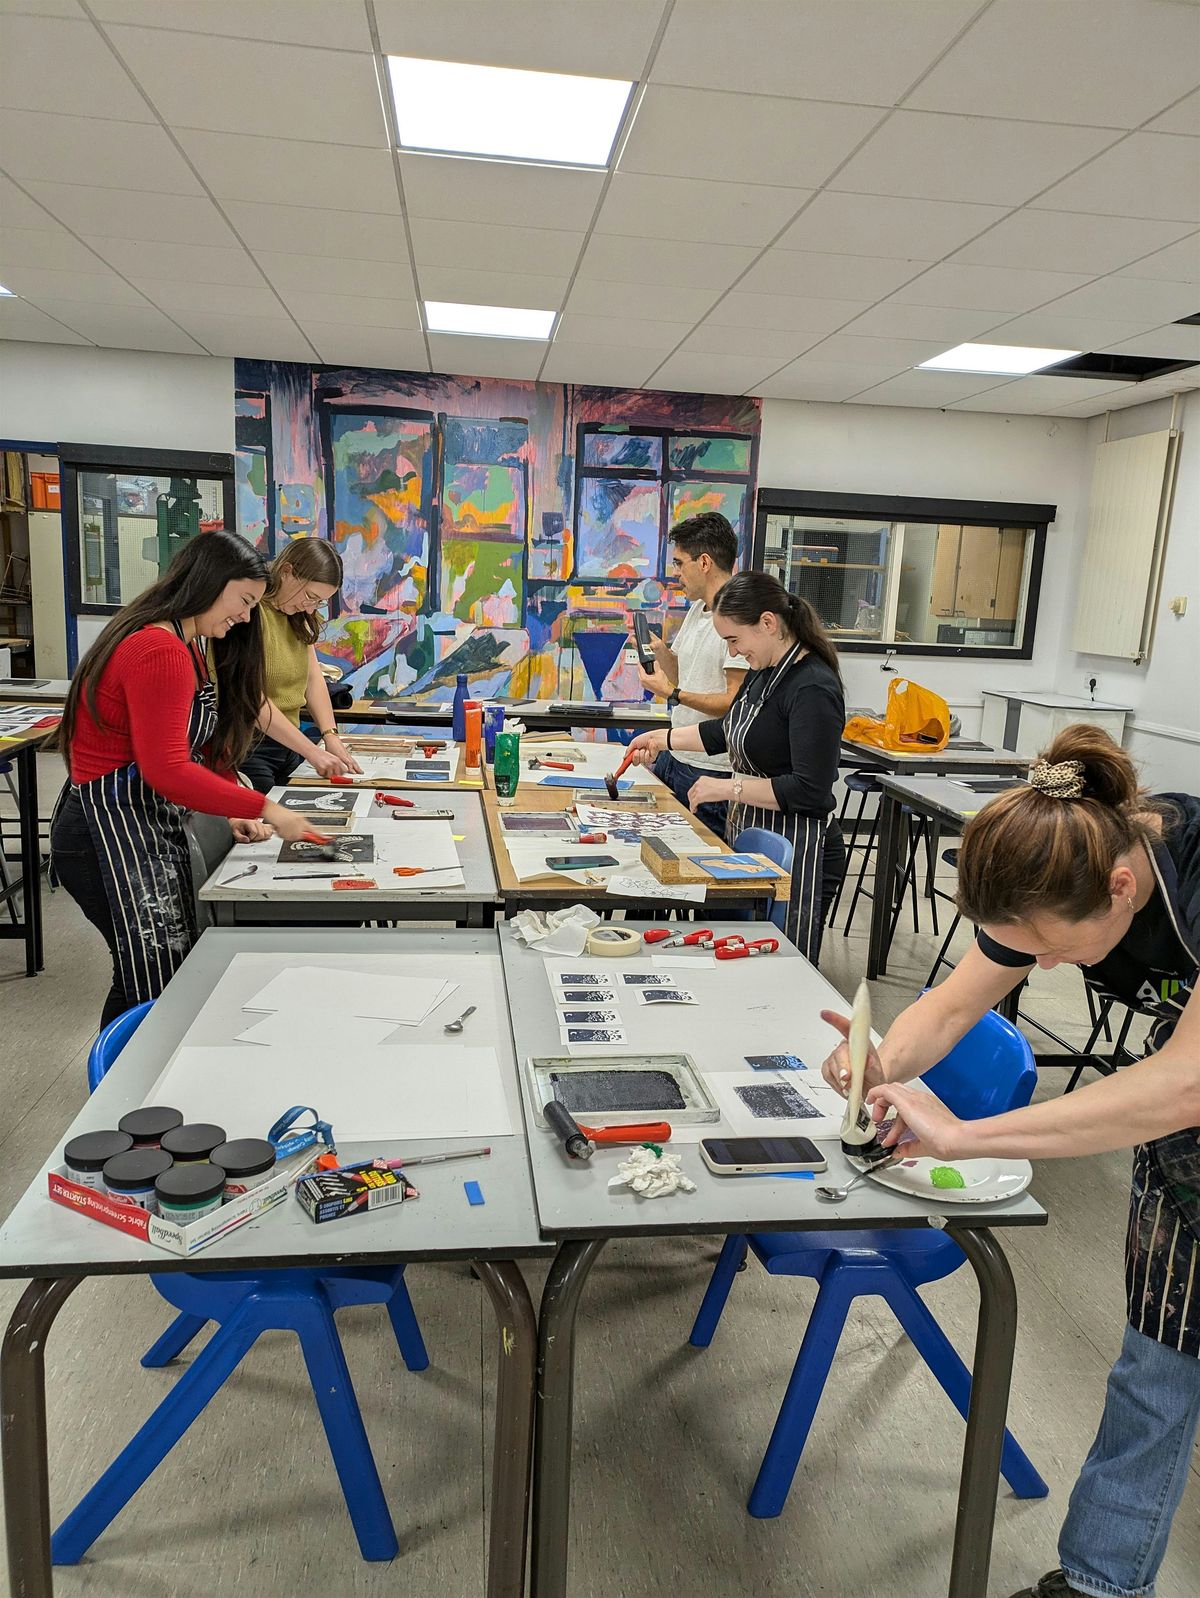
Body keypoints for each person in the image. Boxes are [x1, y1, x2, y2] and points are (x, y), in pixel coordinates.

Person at [819, 727, 1200, 1598]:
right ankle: (1103, 1583)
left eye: (1053, 948)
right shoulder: (1059, 873)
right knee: (1158, 1364)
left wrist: (965, 1136)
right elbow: (953, 1005)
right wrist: (882, 1061)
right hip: (1185, 1143)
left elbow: (1185, 1085)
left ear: (1123, 887)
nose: (1044, 965)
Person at [51, 531, 324, 1029]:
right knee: (148, 975)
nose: (247, 617)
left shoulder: (188, 644)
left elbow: (198, 745)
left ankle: (138, 1069)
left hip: (140, 822)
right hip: (102, 832)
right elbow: (167, 769)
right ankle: (123, 1074)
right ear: (208, 583)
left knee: (159, 971)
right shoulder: (160, 650)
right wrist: (263, 807)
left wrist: (229, 804)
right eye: (244, 601)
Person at [626, 571, 846, 961]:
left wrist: (729, 787)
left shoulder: (812, 687)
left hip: (799, 848)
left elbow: (809, 789)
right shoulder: (763, 673)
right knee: (738, 949)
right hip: (752, 835)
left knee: (777, 963)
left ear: (768, 623)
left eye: (734, 640)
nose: (732, 652)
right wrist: (663, 739)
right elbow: (727, 731)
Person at [634, 512, 746, 837]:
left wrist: (672, 694)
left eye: (680, 563)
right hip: (677, 757)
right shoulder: (698, 609)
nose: (676, 573)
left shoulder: (737, 615)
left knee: (698, 856)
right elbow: (684, 673)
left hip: (710, 768)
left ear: (705, 562)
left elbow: (732, 704)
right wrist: (660, 651)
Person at [238, 538, 363, 793]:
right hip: (249, 747)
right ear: (287, 571)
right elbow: (252, 700)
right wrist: (312, 751)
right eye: (310, 596)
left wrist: (330, 735)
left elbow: (313, 679)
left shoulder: (298, 617)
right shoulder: (249, 614)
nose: (310, 608)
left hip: (288, 745)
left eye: (319, 602)